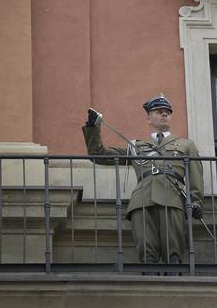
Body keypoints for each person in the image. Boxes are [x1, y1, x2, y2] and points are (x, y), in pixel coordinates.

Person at [82, 94, 203, 270]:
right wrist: (93, 127)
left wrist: (196, 201)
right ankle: (149, 281)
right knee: (146, 250)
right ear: (148, 118)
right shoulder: (136, 147)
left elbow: (196, 175)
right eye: (159, 111)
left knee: (174, 250)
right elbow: (98, 154)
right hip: (142, 200)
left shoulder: (185, 145)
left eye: (167, 112)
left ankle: (174, 285)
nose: (164, 114)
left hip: (173, 197)